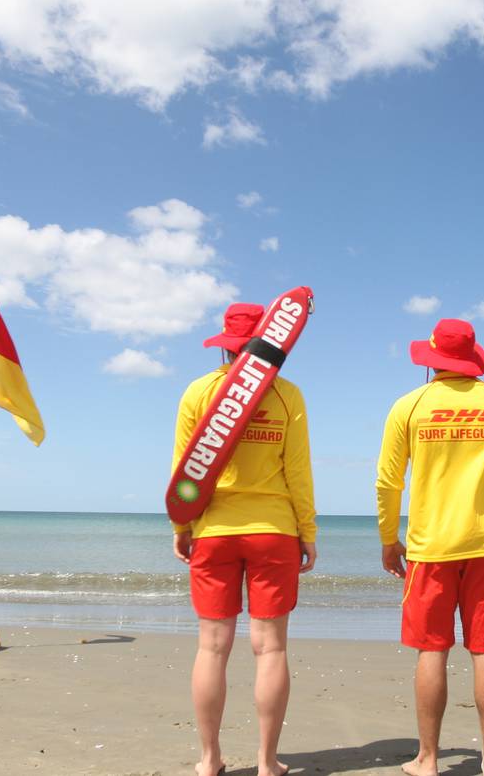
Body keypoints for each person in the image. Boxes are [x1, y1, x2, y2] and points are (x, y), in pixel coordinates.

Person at [375, 318, 484, 776]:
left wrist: (387, 538)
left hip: (431, 549)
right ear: (472, 359)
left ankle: (428, 760)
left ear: (432, 361)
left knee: (432, 650)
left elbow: (389, 482)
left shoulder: (409, 406)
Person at [171, 301, 317, 776]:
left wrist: (182, 527)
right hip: (274, 531)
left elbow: (185, 470)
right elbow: (298, 474)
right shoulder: (287, 395)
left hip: (214, 532)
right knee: (270, 648)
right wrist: (307, 532)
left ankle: (210, 759)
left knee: (212, 646)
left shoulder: (199, 391)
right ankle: (266, 761)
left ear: (225, 347)